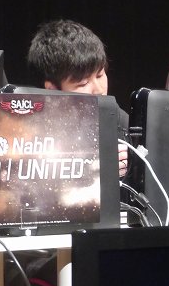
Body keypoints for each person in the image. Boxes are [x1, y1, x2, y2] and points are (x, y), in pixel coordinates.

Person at [26, 18, 127, 175]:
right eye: (83, 83)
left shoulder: (116, 118)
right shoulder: (29, 131)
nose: (99, 89)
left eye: (100, 75)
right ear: (52, 89)